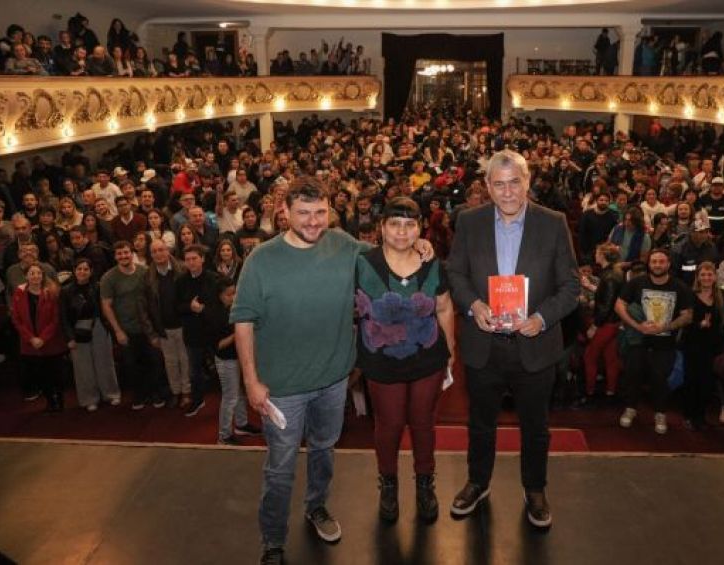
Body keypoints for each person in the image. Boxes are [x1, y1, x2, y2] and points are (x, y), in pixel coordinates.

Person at [231, 177, 433, 561]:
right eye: (304, 213)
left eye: (320, 212)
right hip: (281, 390)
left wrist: (417, 242)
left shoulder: (344, 245)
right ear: (284, 213)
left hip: (333, 382)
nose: (313, 221)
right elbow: (243, 320)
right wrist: (251, 381)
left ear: (330, 211)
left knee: (324, 451)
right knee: (280, 469)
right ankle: (273, 541)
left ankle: (316, 507)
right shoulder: (261, 259)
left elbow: (386, 254)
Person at [447, 149, 580, 529]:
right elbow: (455, 273)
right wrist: (473, 304)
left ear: (528, 182)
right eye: (498, 184)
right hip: (483, 344)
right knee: (480, 423)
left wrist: (541, 318)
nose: (507, 192)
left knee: (536, 427)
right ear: (487, 186)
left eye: (515, 182)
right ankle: (478, 483)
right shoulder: (468, 221)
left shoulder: (553, 223)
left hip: (535, 346)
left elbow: (571, 285)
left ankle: (535, 489)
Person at [353, 197, 455, 523]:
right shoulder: (360, 262)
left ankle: (425, 484)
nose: (402, 231)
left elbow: (444, 308)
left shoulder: (432, 262)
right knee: (390, 424)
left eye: (410, 224)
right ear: (381, 227)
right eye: (394, 223)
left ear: (420, 228)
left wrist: (450, 355)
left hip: (428, 357)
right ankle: (388, 484)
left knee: (423, 422)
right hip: (381, 359)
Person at [615, 248, 694, 434]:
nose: (657, 265)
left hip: (665, 342)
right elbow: (619, 305)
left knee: (660, 377)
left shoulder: (680, 287)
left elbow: (688, 316)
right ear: (649, 264)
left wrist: (665, 327)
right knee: (632, 374)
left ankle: (660, 413)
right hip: (638, 340)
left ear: (668, 264)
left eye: (661, 261)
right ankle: (630, 408)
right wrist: (637, 325)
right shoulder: (636, 283)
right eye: (654, 261)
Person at [100, 240, 165, 410]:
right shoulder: (109, 278)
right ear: (115, 256)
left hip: (148, 328)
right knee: (132, 366)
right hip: (126, 330)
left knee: (154, 362)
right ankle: (139, 396)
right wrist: (118, 331)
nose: (123, 256)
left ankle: (156, 393)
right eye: (119, 253)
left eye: (126, 252)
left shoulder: (144, 271)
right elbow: (106, 305)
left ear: (132, 253)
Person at [205, 276, 260, 444]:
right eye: (229, 294)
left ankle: (241, 425)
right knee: (230, 397)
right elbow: (218, 345)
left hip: (237, 356)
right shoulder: (213, 314)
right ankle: (224, 435)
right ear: (220, 295)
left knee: (240, 394)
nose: (234, 297)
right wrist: (238, 333)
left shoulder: (233, 308)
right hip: (225, 360)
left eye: (235, 293)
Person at [60, 258, 121, 411]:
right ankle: (89, 399)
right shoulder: (66, 291)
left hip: (99, 326)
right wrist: (69, 338)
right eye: (79, 269)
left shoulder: (99, 287)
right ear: (74, 271)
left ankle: (111, 394)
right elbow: (63, 317)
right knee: (83, 367)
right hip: (78, 329)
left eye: (86, 269)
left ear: (91, 271)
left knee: (105, 362)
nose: (82, 272)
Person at [10, 262, 67, 412]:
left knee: (56, 374)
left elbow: (55, 319)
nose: (35, 276)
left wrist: (42, 338)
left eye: (38, 273)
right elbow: (16, 319)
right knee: (40, 375)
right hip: (30, 344)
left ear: (43, 275)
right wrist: (31, 339)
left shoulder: (51, 292)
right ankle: (50, 401)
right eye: (32, 273)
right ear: (26, 276)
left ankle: (59, 400)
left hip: (51, 341)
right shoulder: (19, 292)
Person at [145, 239, 191, 408]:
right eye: (154, 251)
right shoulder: (148, 276)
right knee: (170, 362)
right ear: (151, 255)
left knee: (185, 360)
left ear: (168, 251)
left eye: (161, 250)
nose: (158, 254)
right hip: (163, 328)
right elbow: (144, 307)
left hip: (183, 325)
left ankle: (186, 392)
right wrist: (152, 333)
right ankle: (176, 392)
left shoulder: (182, 269)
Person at [175, 244, 220, 417]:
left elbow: (220, 306)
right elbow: (176, 306)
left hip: (213, 331)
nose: (191, 262)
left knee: (222, 368)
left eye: (194, 258)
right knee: (194, 371)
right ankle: (198, 400)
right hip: (192, 333)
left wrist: (203, 310)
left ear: (202, 259)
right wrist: (190, 307)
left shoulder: (214, 279)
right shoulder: (180, 281)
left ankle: (228, 403)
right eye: (187, 259)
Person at [681, 262, 724, 431]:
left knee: (707, 383)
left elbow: (720, 322)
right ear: (697, 277)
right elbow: (684, 323)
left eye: (710, 274)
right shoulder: (690, 295)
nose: (706, 278)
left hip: (712, 346)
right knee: (691, 381)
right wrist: (699, 325)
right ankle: (689, 415)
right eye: (703, 275)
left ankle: (701, 416)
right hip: (693, 345)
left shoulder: (721, 295)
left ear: (715, 277)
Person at [583, 242, 624, 399]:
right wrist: (590, 287)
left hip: (606, 323)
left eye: (597, 252)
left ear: (603, 256)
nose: (595, 255)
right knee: (610, 357)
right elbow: (608, 295)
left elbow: (606, 306)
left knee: (589, 356)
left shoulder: (609, 275)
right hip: (613, 322)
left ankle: (589, 391)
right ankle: (610, 391)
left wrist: (594, 326)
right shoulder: (613, 272)